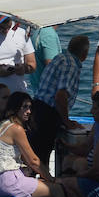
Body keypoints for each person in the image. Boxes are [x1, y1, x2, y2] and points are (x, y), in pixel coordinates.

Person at [0, 92, 70, 197]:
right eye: (24, 107)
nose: (29, 111)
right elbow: (33, 161)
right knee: (57, 189)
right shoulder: (16, 128)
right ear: (15, 107)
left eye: (30, 107)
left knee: (41, 191)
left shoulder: (1, 125)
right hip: (8, 183)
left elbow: (25, 159)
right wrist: (51, 179)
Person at [28, 34, 88, 165]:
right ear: (85, 53)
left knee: (35, 152)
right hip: (47, 114)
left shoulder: (60, 57)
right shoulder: (71, 65)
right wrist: (67, 122)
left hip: (38, 108)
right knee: (41, 156)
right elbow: (60, 96)